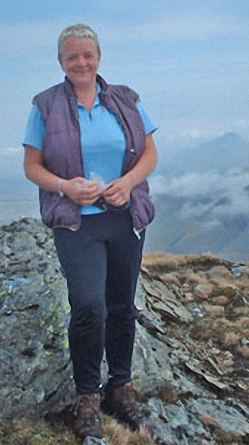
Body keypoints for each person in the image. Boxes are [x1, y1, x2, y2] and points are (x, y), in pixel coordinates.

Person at [23, 24, 158, 439]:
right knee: (87, 306)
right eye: (71, 57)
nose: (81, 62)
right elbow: (32, 165)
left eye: (87, 55)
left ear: (99, 57)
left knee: (121, 306)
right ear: (61, 62)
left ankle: (121, 385)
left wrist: (129, 182)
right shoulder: (45, 105)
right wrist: (65, 186)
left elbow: (150, 152)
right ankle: (87, 398)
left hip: (124, 217)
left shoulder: (125, 99)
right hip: (76, 221)